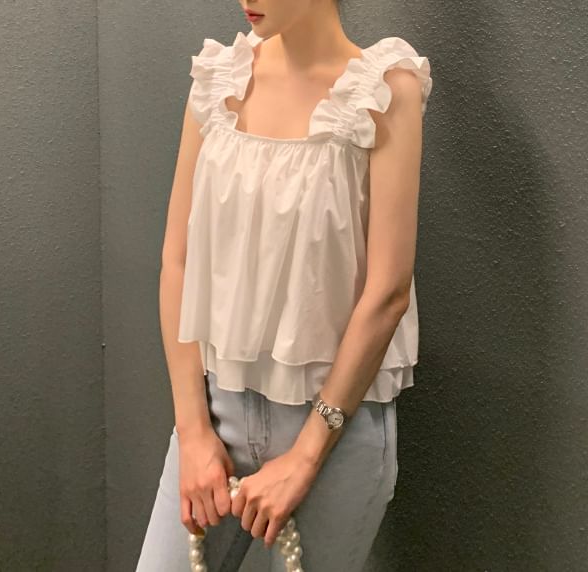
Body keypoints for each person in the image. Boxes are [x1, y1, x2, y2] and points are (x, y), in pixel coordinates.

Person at [136, 0, 433, 569]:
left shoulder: (382, 90)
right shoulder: (218, 80)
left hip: (335, 432)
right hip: (215, 415)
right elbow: (177, 260)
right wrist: (193, 431)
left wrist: (306, 456)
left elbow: (389, 291)